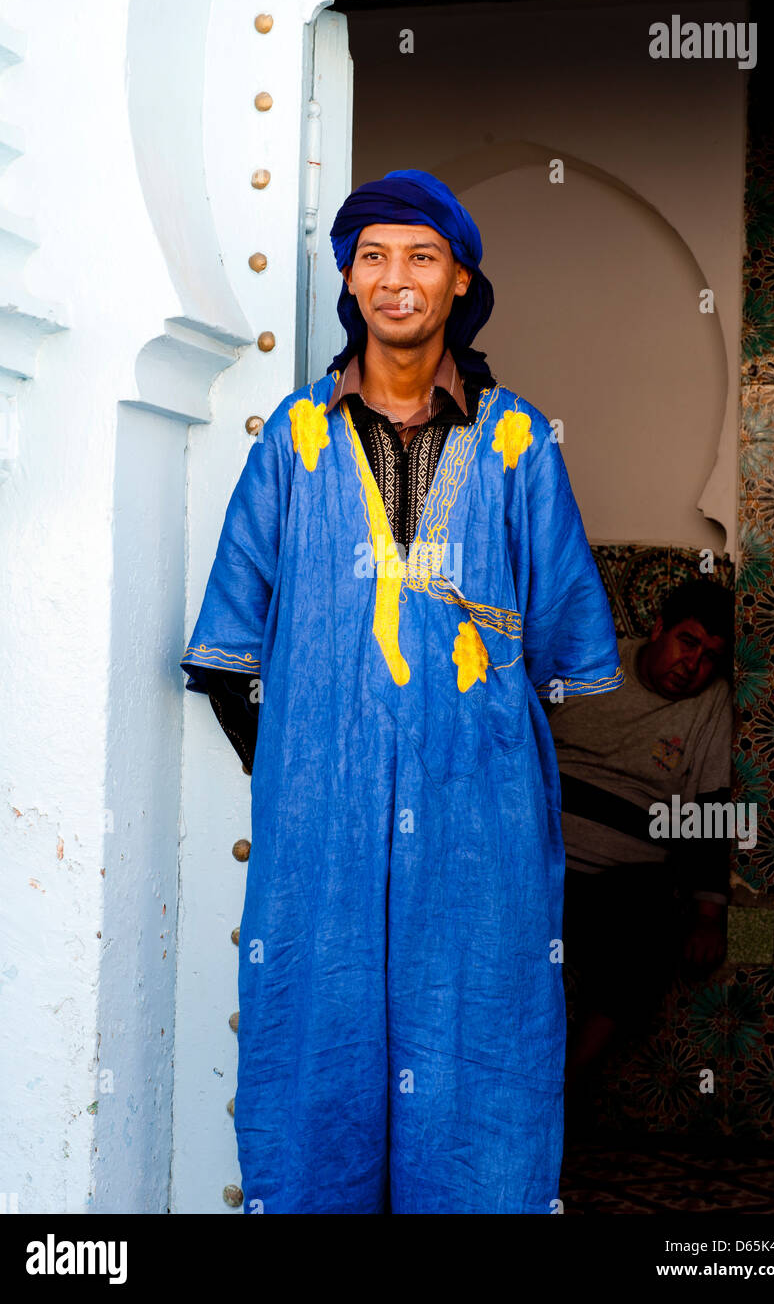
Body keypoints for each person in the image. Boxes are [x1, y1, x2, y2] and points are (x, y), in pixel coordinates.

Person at [179, 168, 624, 1214]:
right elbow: (225, 654)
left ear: (460, 282)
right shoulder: (290, 440)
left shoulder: (519, 444)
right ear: (347, 278)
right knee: (313, 1050)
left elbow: (564, 650)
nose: (395, 279)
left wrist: (459, 748)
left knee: (480, 1041)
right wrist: (312, 766)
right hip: (319, 832)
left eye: (421, 256)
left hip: (480, 833)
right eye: (373, 256)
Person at [544, 579, 734, 1114]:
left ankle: (561, 1096)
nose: (692, 664)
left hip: (621, 882)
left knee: (653, 928)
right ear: (658, 630)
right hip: (538, 861)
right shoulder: (591, 661)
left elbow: (712, 811)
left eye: (710, 657)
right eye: (687, 642)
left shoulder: (709, 704)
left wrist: (707, 915)